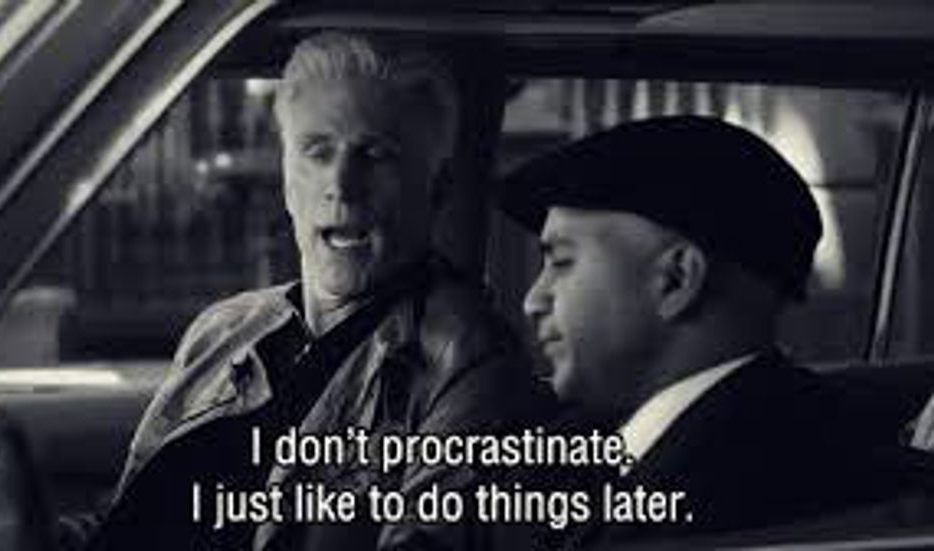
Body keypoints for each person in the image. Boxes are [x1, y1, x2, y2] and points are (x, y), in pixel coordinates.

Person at [87, 31, 552, 551]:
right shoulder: (221, 330)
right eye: (317, 152)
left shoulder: (468, 362)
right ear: (288, 181)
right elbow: (122, 519)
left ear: (437, 187)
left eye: (375, 155)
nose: (342, 185)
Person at [501, 115, 934, 547]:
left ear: (676, 279)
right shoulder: (594, 444)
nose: (533, 300)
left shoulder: (754, 494)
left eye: (562, 262)